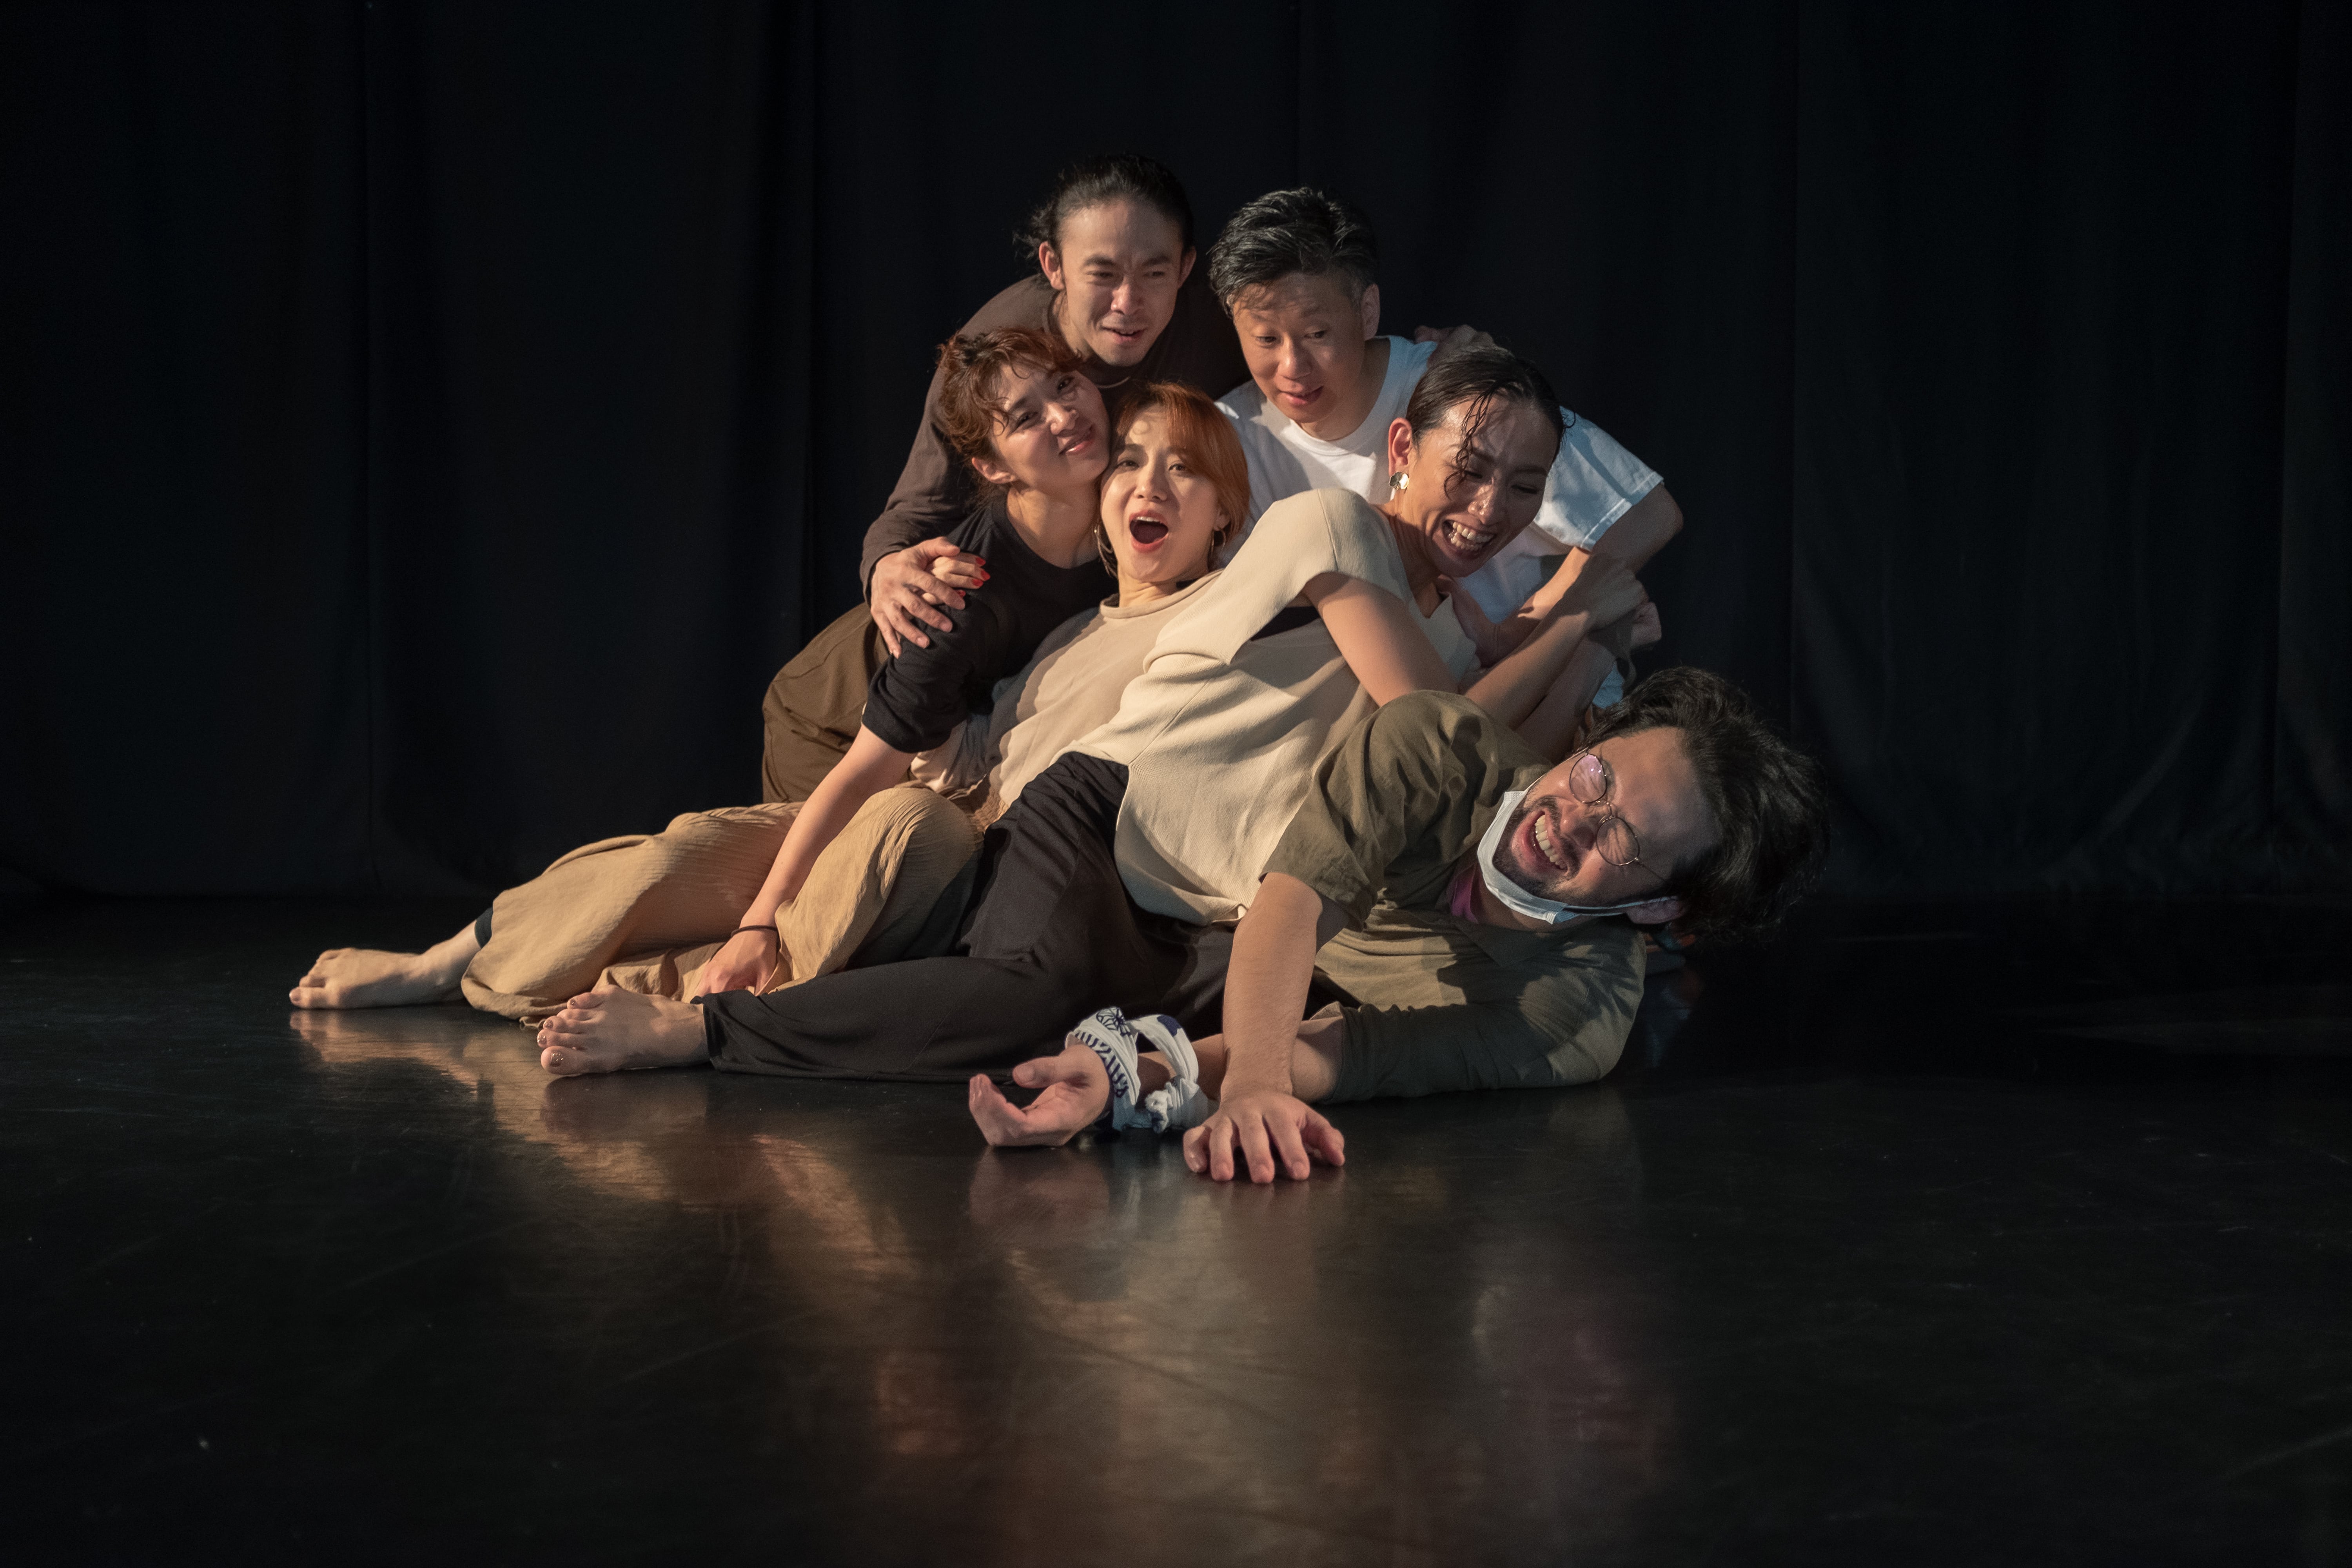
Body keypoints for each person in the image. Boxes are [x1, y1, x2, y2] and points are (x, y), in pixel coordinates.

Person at [530, 347, 1654, 1088]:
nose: (1489, 508)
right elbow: (1432, 735)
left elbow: (1496, 773)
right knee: (1030, 994)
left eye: (1524, 487)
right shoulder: (1335, 529)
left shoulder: (1455, 635)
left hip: (1210, 899)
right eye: (1471, 468)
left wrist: (1584, 642)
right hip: (1105, 818)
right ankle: (697, 1033)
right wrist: (1572, 618)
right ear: (1403, 451)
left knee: (1222, 1019)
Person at [289, 327, 1128, 1019]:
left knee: (880, 869)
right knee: (690, 863)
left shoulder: (1134, 509)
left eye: (1065, 385)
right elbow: (861, 773)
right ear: (991, 466)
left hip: (959, 806)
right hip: (870, 753)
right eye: (1026, 416)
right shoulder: (960, 589)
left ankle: (675, 1006)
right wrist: (761, 918)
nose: (1064, 415)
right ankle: (443, 961)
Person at [967, 670, 1830, 1182]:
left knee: (1028, 1025)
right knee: (1021, 993)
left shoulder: (1574, 1015)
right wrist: (1255, 1083)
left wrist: (1131, 1082)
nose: (1572, 818)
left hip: (1248, 980)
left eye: (1622, 840)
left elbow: (1346, 1054)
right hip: (1156, 860)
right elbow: (1294, 903)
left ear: (1657, 906)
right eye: (1596, 775)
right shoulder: (1438, 746)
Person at [1206, 187, 1683, 655]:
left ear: (1367, 312)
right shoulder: (1227, 436)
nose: (1292, 366)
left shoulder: (1450, 386)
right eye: (1266, 339)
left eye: (1317, 333)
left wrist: (1519, 634)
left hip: (1528, 686)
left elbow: (1645, 515)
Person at [857, 154, 1249, 661]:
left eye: (1155, 273)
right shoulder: (994, 355)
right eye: (1103, 274)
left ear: (1185, 268)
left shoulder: (1223, 330)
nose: (1128, 303)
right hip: (985, 628)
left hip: (1132, 618)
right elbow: (919, 509)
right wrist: (886, 567)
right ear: (1054, 266)